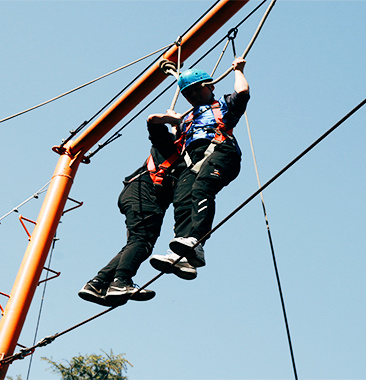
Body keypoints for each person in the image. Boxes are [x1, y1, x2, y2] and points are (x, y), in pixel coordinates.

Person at [78, 112, 196, 306]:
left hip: (143, 197)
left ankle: (97, 283)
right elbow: (152, 121)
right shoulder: (168, 145)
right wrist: (174, 120)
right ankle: (120, 282)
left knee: (139, 243)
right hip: (143, 194)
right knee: (141, 241)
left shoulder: (185, 157)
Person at [149, 57, 250, 274]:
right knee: (183, 200)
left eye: (197, 90)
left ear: (210, 87)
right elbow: (163, 129)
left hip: (220, 151)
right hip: (191, 160)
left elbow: (242, 93)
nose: (193, 95)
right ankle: (181, 251)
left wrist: (238, 70)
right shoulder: (186, 118)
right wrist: (171, 122)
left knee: (202, 188)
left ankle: (197, 242)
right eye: (188, 94)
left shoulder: (222, 104)